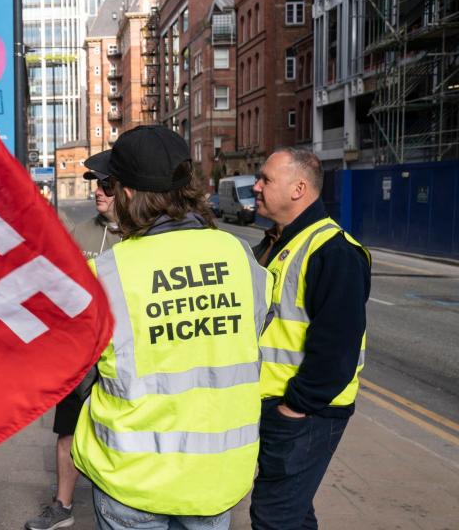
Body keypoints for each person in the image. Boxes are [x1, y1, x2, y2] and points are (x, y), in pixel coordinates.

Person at [71, 125, 273, 530]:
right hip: (216, 478)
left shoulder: (106, 274)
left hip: (133, 477)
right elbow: (251, 332)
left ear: (127, 193)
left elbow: (77, 374)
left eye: (111, 183)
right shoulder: (237, 255)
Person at [248, 148, 371, 530]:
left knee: (273, 518)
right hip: (277, 405)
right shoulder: (277, 241)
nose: (255, 186)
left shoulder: (334, 252)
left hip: (305, 412)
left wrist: (294, 408)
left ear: (298, 188)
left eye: (266, 179)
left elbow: (337, 348)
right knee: (294, 512)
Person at [26, 160, 121, 530]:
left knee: (118, 434)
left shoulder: (141, 235)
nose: (98, 189)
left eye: (107, 184)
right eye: (96, 183)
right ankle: (62, 506)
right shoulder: (80, 233)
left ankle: (118, 507)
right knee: (67, 429)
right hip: (80, 356)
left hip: (124, 357)